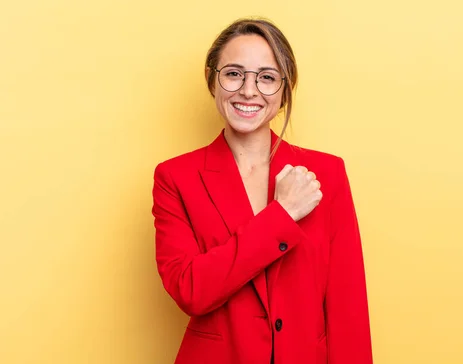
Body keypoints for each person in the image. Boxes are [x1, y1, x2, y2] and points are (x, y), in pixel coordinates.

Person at [152, 17, 372, 364]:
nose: (249, 90)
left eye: (267, 78)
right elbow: (190, 289)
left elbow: (348, 306)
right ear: (213, 80)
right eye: (234, 73)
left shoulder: (327, 175)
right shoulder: (176, 178)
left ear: (285, 91)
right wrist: (281, 216)